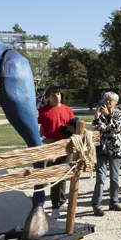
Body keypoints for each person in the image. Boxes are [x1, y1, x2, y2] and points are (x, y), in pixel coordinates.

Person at [32, 86, 77, 215]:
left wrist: (73, 130)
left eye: (58, 94)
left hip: (67, 146)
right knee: (55, 175)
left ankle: (61, 203)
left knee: (63, 175)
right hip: (52, 147)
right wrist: (42, 138)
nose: (57, 97)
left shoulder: (67, 109)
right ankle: (55, 207)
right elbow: (32, 126)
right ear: (48, 98)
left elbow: (73, 125)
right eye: (54, 95)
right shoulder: (43, 111)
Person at [90, 91, 121, 215]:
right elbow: (95, 129)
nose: (108, 102)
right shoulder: (100, 114)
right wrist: (96, 117)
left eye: (110, 100)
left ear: (116, 102)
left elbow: (118, 128)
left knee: (115, 178)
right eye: (106, 99)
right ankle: (96, 205)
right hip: (101, 149)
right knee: (100, 177)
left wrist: (108, 117)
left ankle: (114, 202)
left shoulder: (119, 113)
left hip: (115, 149)